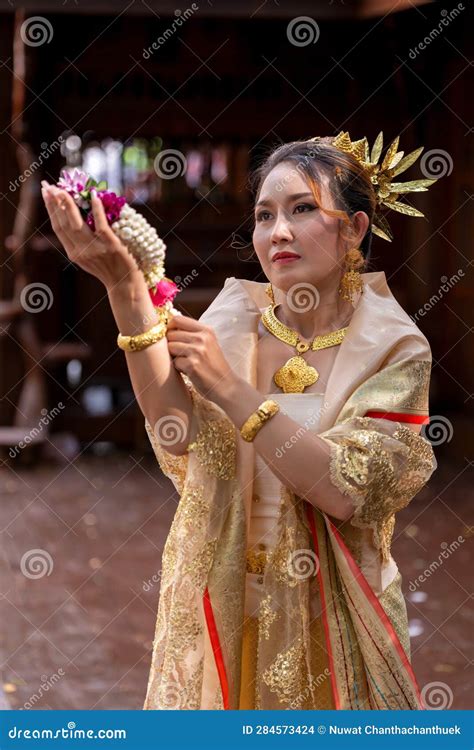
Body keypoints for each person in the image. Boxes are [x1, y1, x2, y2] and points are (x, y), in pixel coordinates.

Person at [42, 131, 438, 710]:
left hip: (329, 613)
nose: (277, 232)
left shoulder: (393, 347)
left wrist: (230, 389)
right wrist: (124, 287)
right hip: (224, 594)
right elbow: (181, 433)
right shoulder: (236, 315)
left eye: (303, 209)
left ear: (353, 229)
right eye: (264, 215)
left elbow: (346, 489)